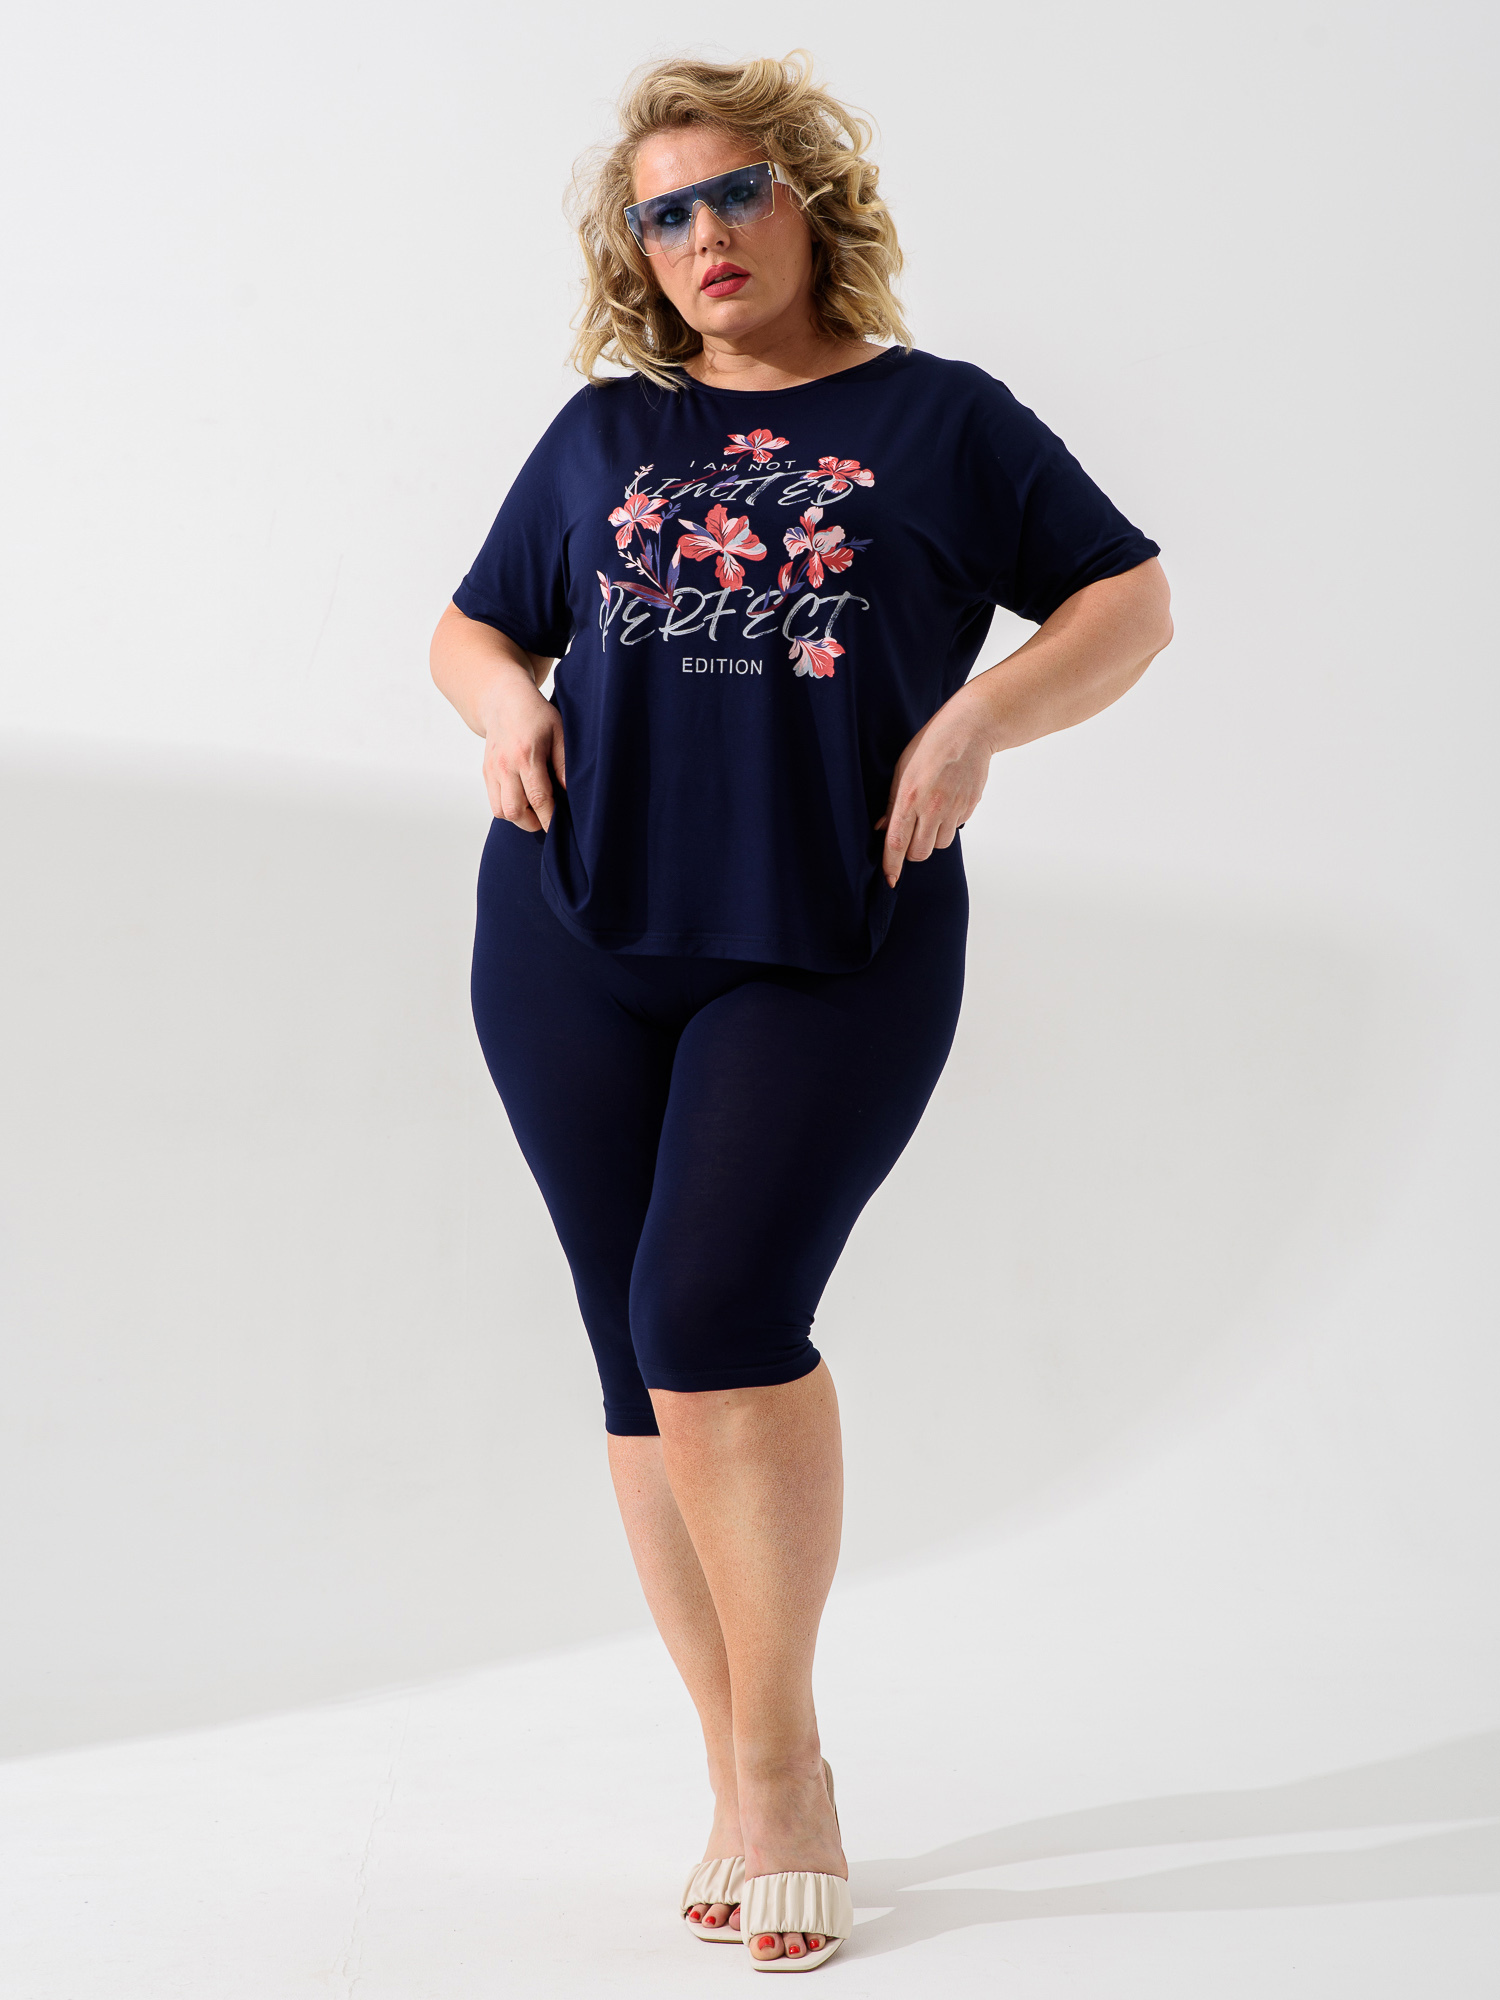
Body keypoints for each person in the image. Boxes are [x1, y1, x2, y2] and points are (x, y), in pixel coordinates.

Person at [430, 50, 1172, 1973]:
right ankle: (738, 1771)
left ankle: (787, 1770)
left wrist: (978, 718)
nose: (701, 236)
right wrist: (505, 707)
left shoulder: (943, 418)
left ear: (809, 200)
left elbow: (1128, 599)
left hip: (833, 934)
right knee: (635, 1355)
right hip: (573, 929)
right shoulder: (607, 430)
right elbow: (475, 621)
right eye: (661, 213)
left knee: (715, 1317)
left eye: (733, 192)